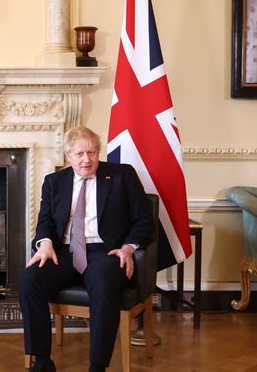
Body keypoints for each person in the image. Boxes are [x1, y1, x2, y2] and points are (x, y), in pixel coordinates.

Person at [19, 126, 152, 372]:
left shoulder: (122, 175)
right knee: (29, 280)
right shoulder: (54, 182)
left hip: (106, 252)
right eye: (79, 154)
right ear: (68, 157)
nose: (86, 160)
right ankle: (42, 361)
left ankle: (97, 366)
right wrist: (45, 243)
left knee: (102, 285)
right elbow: (45, 221)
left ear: (98, 153)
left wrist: (128, 247)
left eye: (91, 153)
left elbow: (144, 219)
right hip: (64, 252)